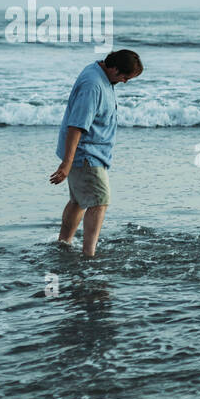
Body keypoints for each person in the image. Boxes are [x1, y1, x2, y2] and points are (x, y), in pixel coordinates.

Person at [49, 49, 143, 256]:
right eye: (125, 77)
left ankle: (64, 243)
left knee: (79, 201)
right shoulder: (93, 85)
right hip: (86, 155)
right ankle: (89, 254)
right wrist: (67, 163)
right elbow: (77, 125)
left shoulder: (98, 72)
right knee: (100, 199)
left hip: (88, 152)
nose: (125, 82)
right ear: (114, 68)